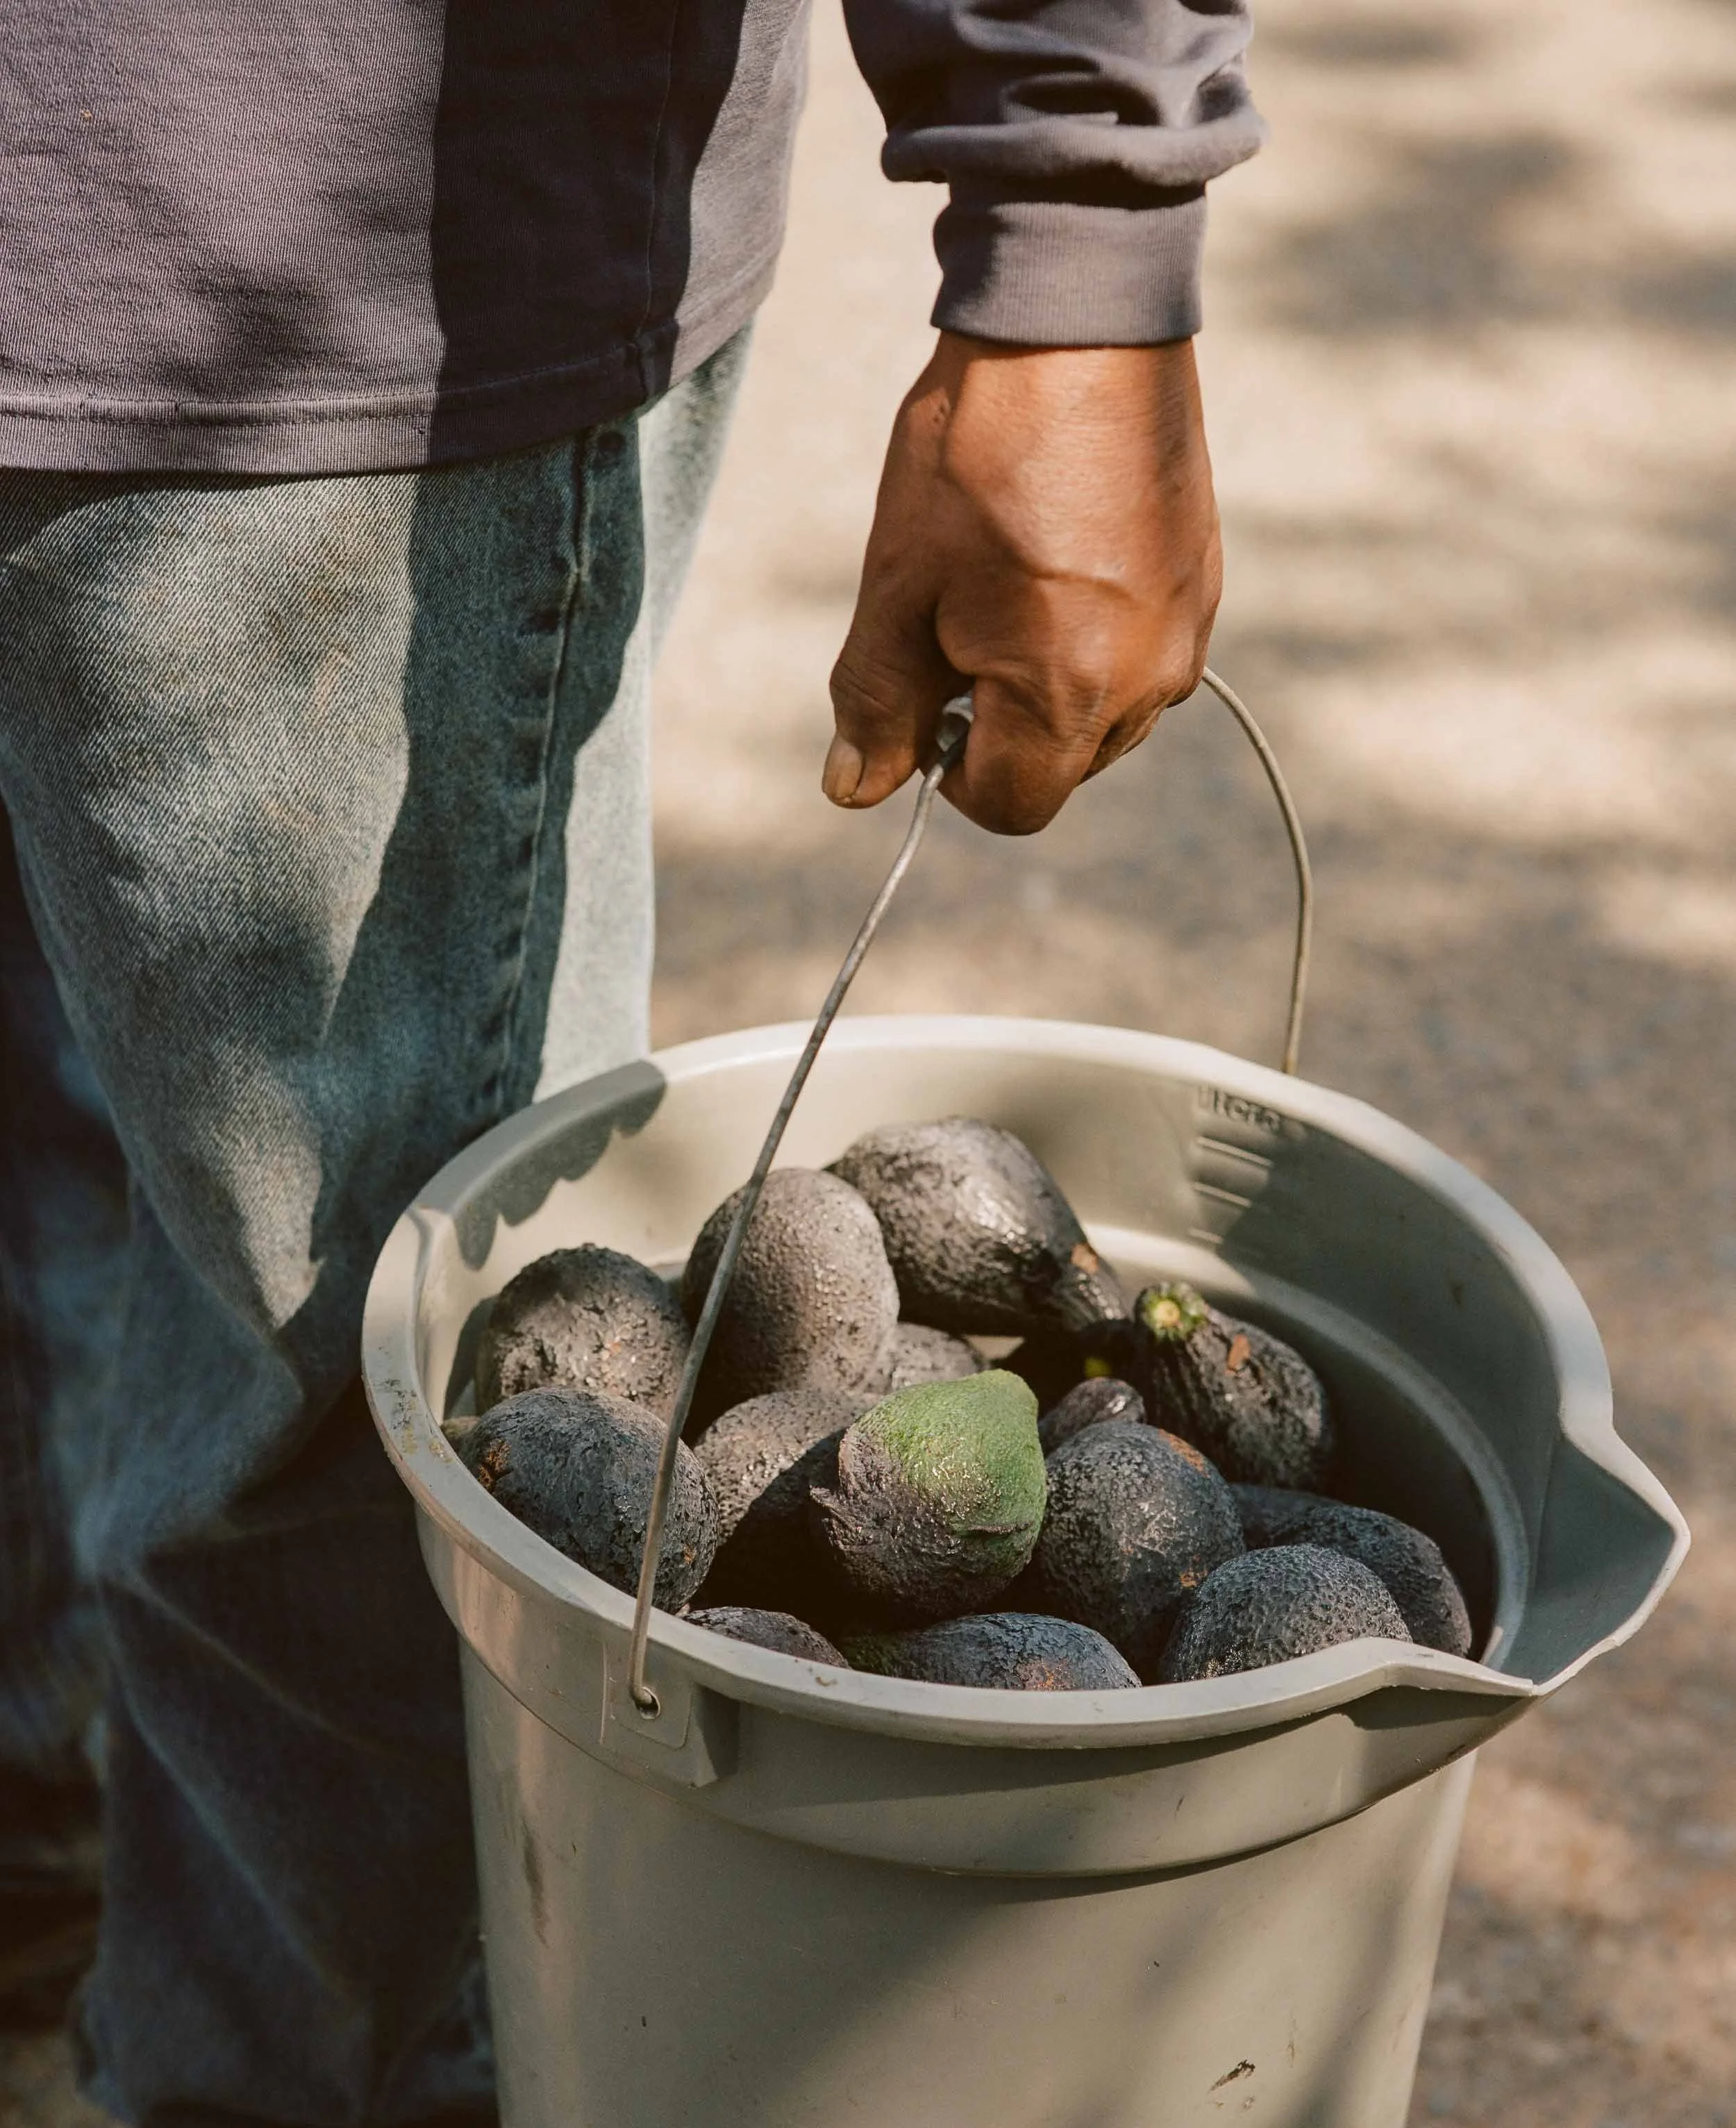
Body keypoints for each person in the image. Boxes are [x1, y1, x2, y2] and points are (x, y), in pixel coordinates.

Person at [0, 1, 1261, 2120]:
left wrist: (1073, 223)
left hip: (285, 237)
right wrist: (1081, 203)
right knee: (271, 1331)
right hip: (233, 231)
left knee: (316, 1362)